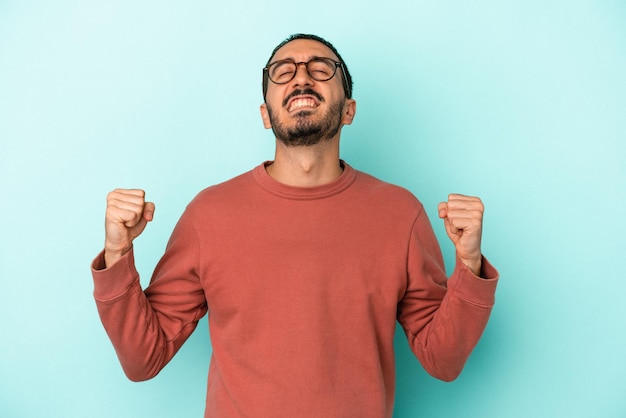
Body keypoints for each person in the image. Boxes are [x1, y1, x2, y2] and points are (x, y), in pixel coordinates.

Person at [92, 33, 499, 418]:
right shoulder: (209, 214)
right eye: (283, 71)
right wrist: (117, 255)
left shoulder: (400, 213)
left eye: (321, 68)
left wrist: (469, 266)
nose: (301, 76)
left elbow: (442, 360)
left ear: (349, 109)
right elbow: (144, 359)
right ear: (266, 115)